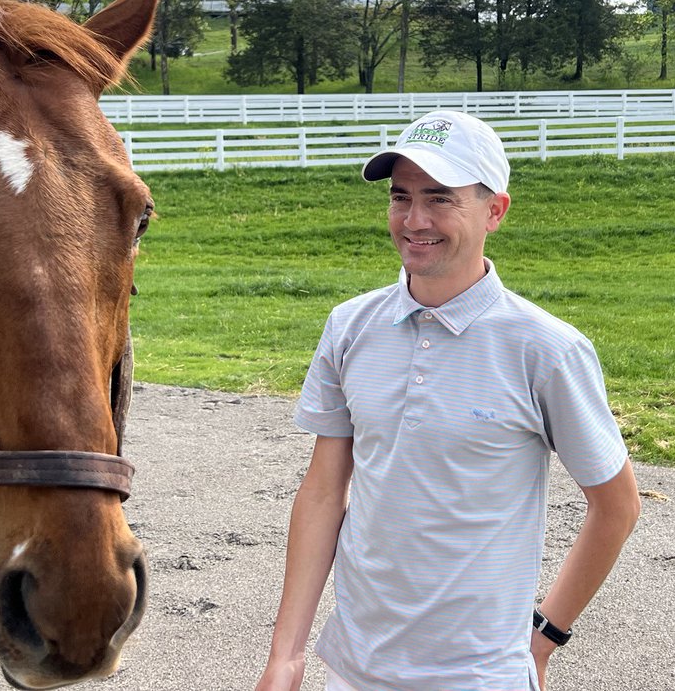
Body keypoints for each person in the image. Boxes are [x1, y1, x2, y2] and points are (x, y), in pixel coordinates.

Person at [255, 110, 640, 691]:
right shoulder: (350, 326)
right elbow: (323, 492)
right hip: (355, 670)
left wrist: (543, 640)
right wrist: (286, 655)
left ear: (495, 211)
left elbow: (617, 507)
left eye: (440, 199)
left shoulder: (546, 349)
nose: (414, 220)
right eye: (400, 196)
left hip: (480, 676)